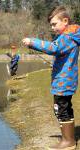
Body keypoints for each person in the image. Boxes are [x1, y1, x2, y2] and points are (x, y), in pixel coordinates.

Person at [22, 6, 80, 150]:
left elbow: (53, 48)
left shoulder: (67, 37)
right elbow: (56, 50)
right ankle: (68, 138)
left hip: (64, 82)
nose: (52, 27)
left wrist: (32, 42)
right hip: (64, 80)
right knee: (62, 109)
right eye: (51, 25)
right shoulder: (68, 36)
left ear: (65, 21)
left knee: (61, 109)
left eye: (54, 24)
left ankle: (69, 141)